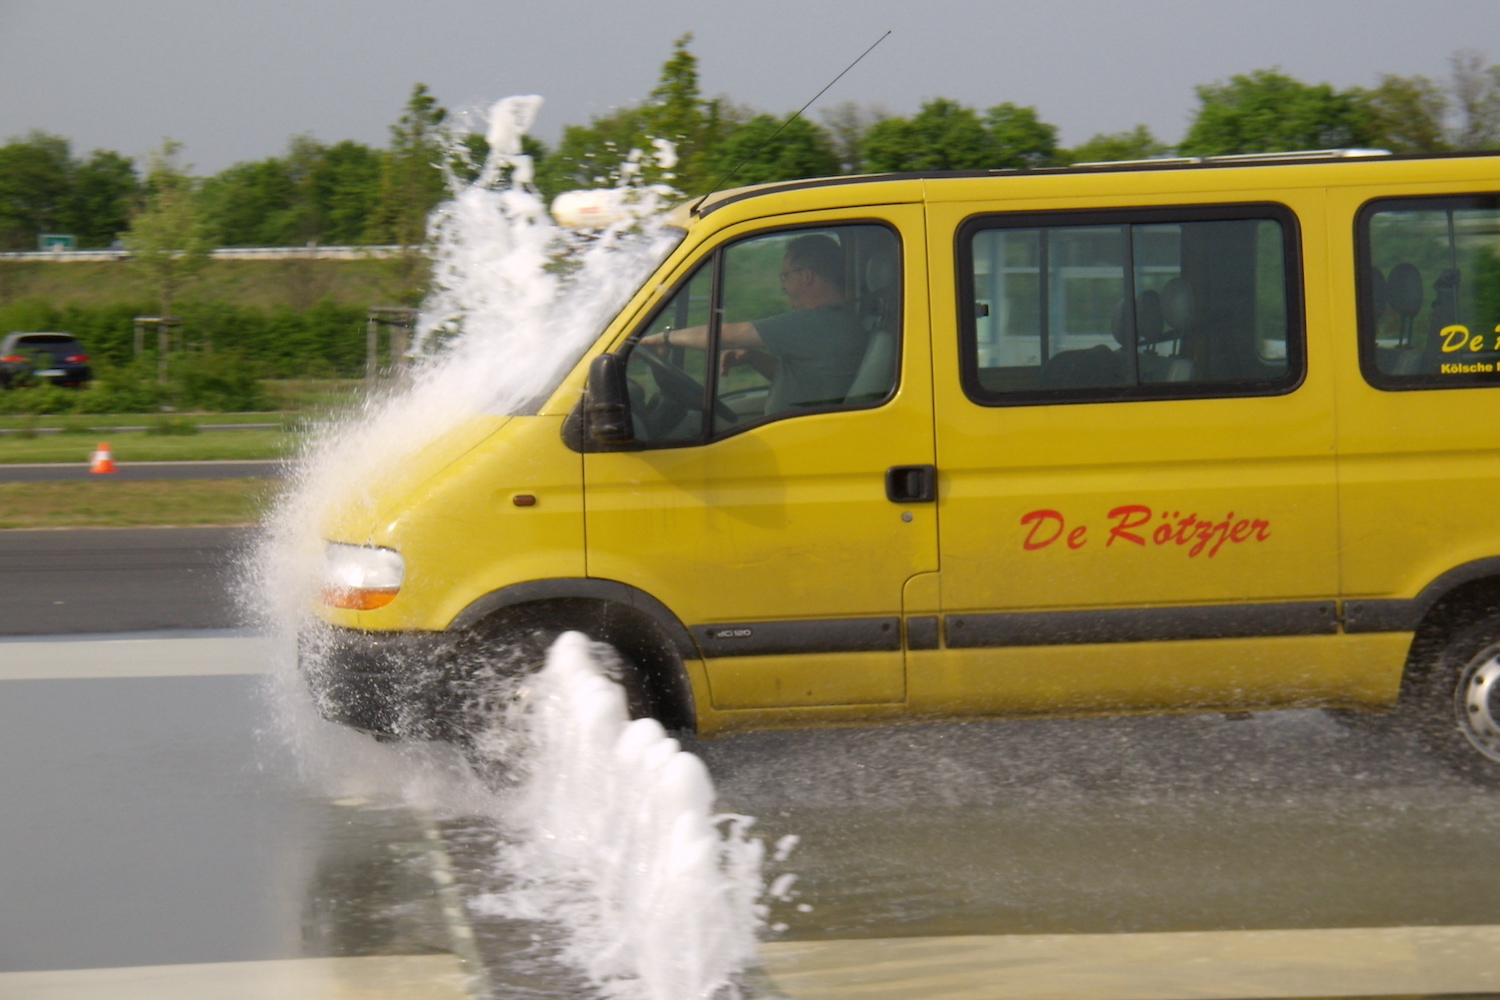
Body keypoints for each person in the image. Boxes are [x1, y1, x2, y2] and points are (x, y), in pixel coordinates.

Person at [640, 234, 866, 413]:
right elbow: (810, 382)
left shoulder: (819, 323)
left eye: (785, 276)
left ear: (806, 276)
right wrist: (754, 358)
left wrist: (665, 338)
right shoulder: (838, 322)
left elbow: (727, 335)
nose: (783, 287)